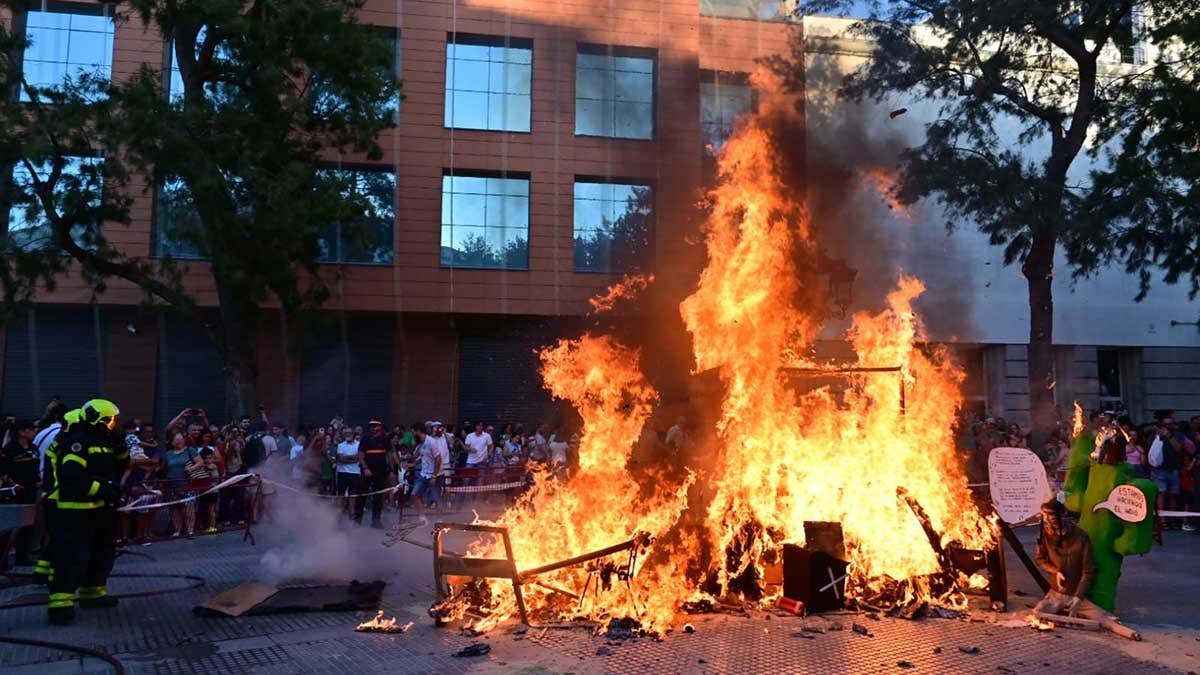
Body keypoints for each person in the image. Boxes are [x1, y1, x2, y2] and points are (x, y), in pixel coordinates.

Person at [46, 399, 127, 626]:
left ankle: (93, 593)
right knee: (72, 557)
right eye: (109, 420)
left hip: (101, 510)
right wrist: (102, 489)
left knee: (102, 553)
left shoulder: (104, 441)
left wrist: (121, 449)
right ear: (95, 419)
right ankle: (60, 604)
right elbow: (72, 476)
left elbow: (117, 467)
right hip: (76, 512)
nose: (112, 424)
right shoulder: (77, 443)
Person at [1033, 499, 1140, 640]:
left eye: (1050, 515)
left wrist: (1078, 597)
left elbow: (1088, 570)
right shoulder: (1044, 533)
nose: (1047, 520)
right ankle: (1066, 617)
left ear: (1061, 515)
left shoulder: (1080, 536)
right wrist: (1055, 571)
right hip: (1056, 594)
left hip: (1078, 594)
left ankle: (1130, 633)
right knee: (1037, 613)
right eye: (1044, 515)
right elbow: (1040, 560)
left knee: (1104, 619)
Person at [1, 420, 40, 565]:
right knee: (11, 526)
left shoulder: (34, 448)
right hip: (14, 492)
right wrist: (13, 484)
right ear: (22, 432)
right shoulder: (9, 450)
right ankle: (3, 559)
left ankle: (22, 556)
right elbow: (3, 471)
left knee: (28, 524)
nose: (34, 432)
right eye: (31, 429)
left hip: (32, 490)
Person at [162, 433, 199, 537]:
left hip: (187, 483)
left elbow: (200, 462)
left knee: (189, 508)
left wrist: (191, 468)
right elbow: (163, 467)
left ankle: (190, 530)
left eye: (181, 439)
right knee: (174, 508)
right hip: (172, 484)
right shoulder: (168, 454)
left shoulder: (190, 450)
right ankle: (177, 530)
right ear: (172, 442)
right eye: (177, 440)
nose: (179, 442)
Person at [357, 420, 391, 528]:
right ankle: (357, 520)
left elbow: (390, 453)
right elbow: (361, 455)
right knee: (362, 495)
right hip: (367, 471)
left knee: (378, 497)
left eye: (375, 426)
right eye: (371, 426)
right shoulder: (365, 439)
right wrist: (365, 468)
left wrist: (391, 468)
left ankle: (376, 521)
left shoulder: (385, 439)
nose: (372, 428)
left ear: (380, 426)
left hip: (380, 472)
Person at [409, 426, 440, 524]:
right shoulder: (420, 444)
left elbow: (438, 459)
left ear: (418, 431)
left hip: (435, 474)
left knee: (436, 499)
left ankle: (440, 519)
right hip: (423, 474)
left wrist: (434, 476)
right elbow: (421, 456)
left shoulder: (431, 442)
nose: (413, 435)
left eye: (413, 433)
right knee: (414, 495)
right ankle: (422, 518)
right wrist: (414, 463)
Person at [333, 427, 362, 517]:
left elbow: (359, 457)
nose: (348, 434)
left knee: (352, 495)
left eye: (350, 433)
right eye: (346, 433)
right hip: (342, 473)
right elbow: (341, 459)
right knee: (341, 494)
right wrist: (353, 459)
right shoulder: (341, 445)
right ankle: (338, 514)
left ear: (353, 434)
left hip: (355, 473)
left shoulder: (359, 444)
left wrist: (347, 458)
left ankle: (351, 514)